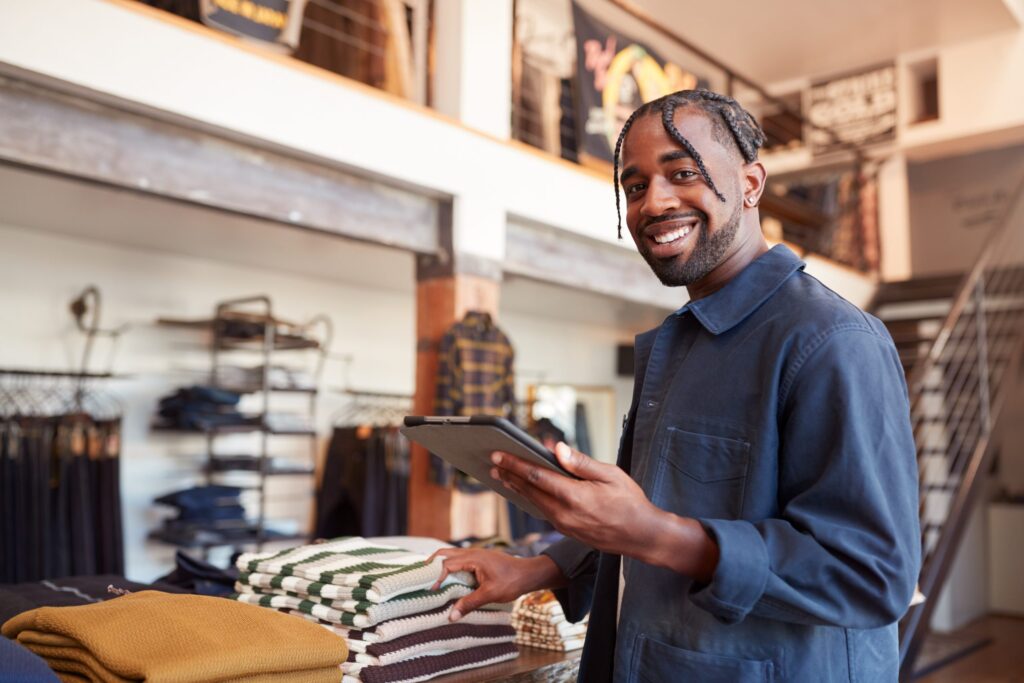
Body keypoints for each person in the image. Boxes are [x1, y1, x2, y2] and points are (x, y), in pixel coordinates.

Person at [430, 90, 921, 682]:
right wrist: (542, 567)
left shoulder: (832, 339)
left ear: (751, 183)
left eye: (682, 173)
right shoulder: (676, 342)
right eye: (635, 187)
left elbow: (872, 574)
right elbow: (654, 510)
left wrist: (654, 533)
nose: (654, 203)